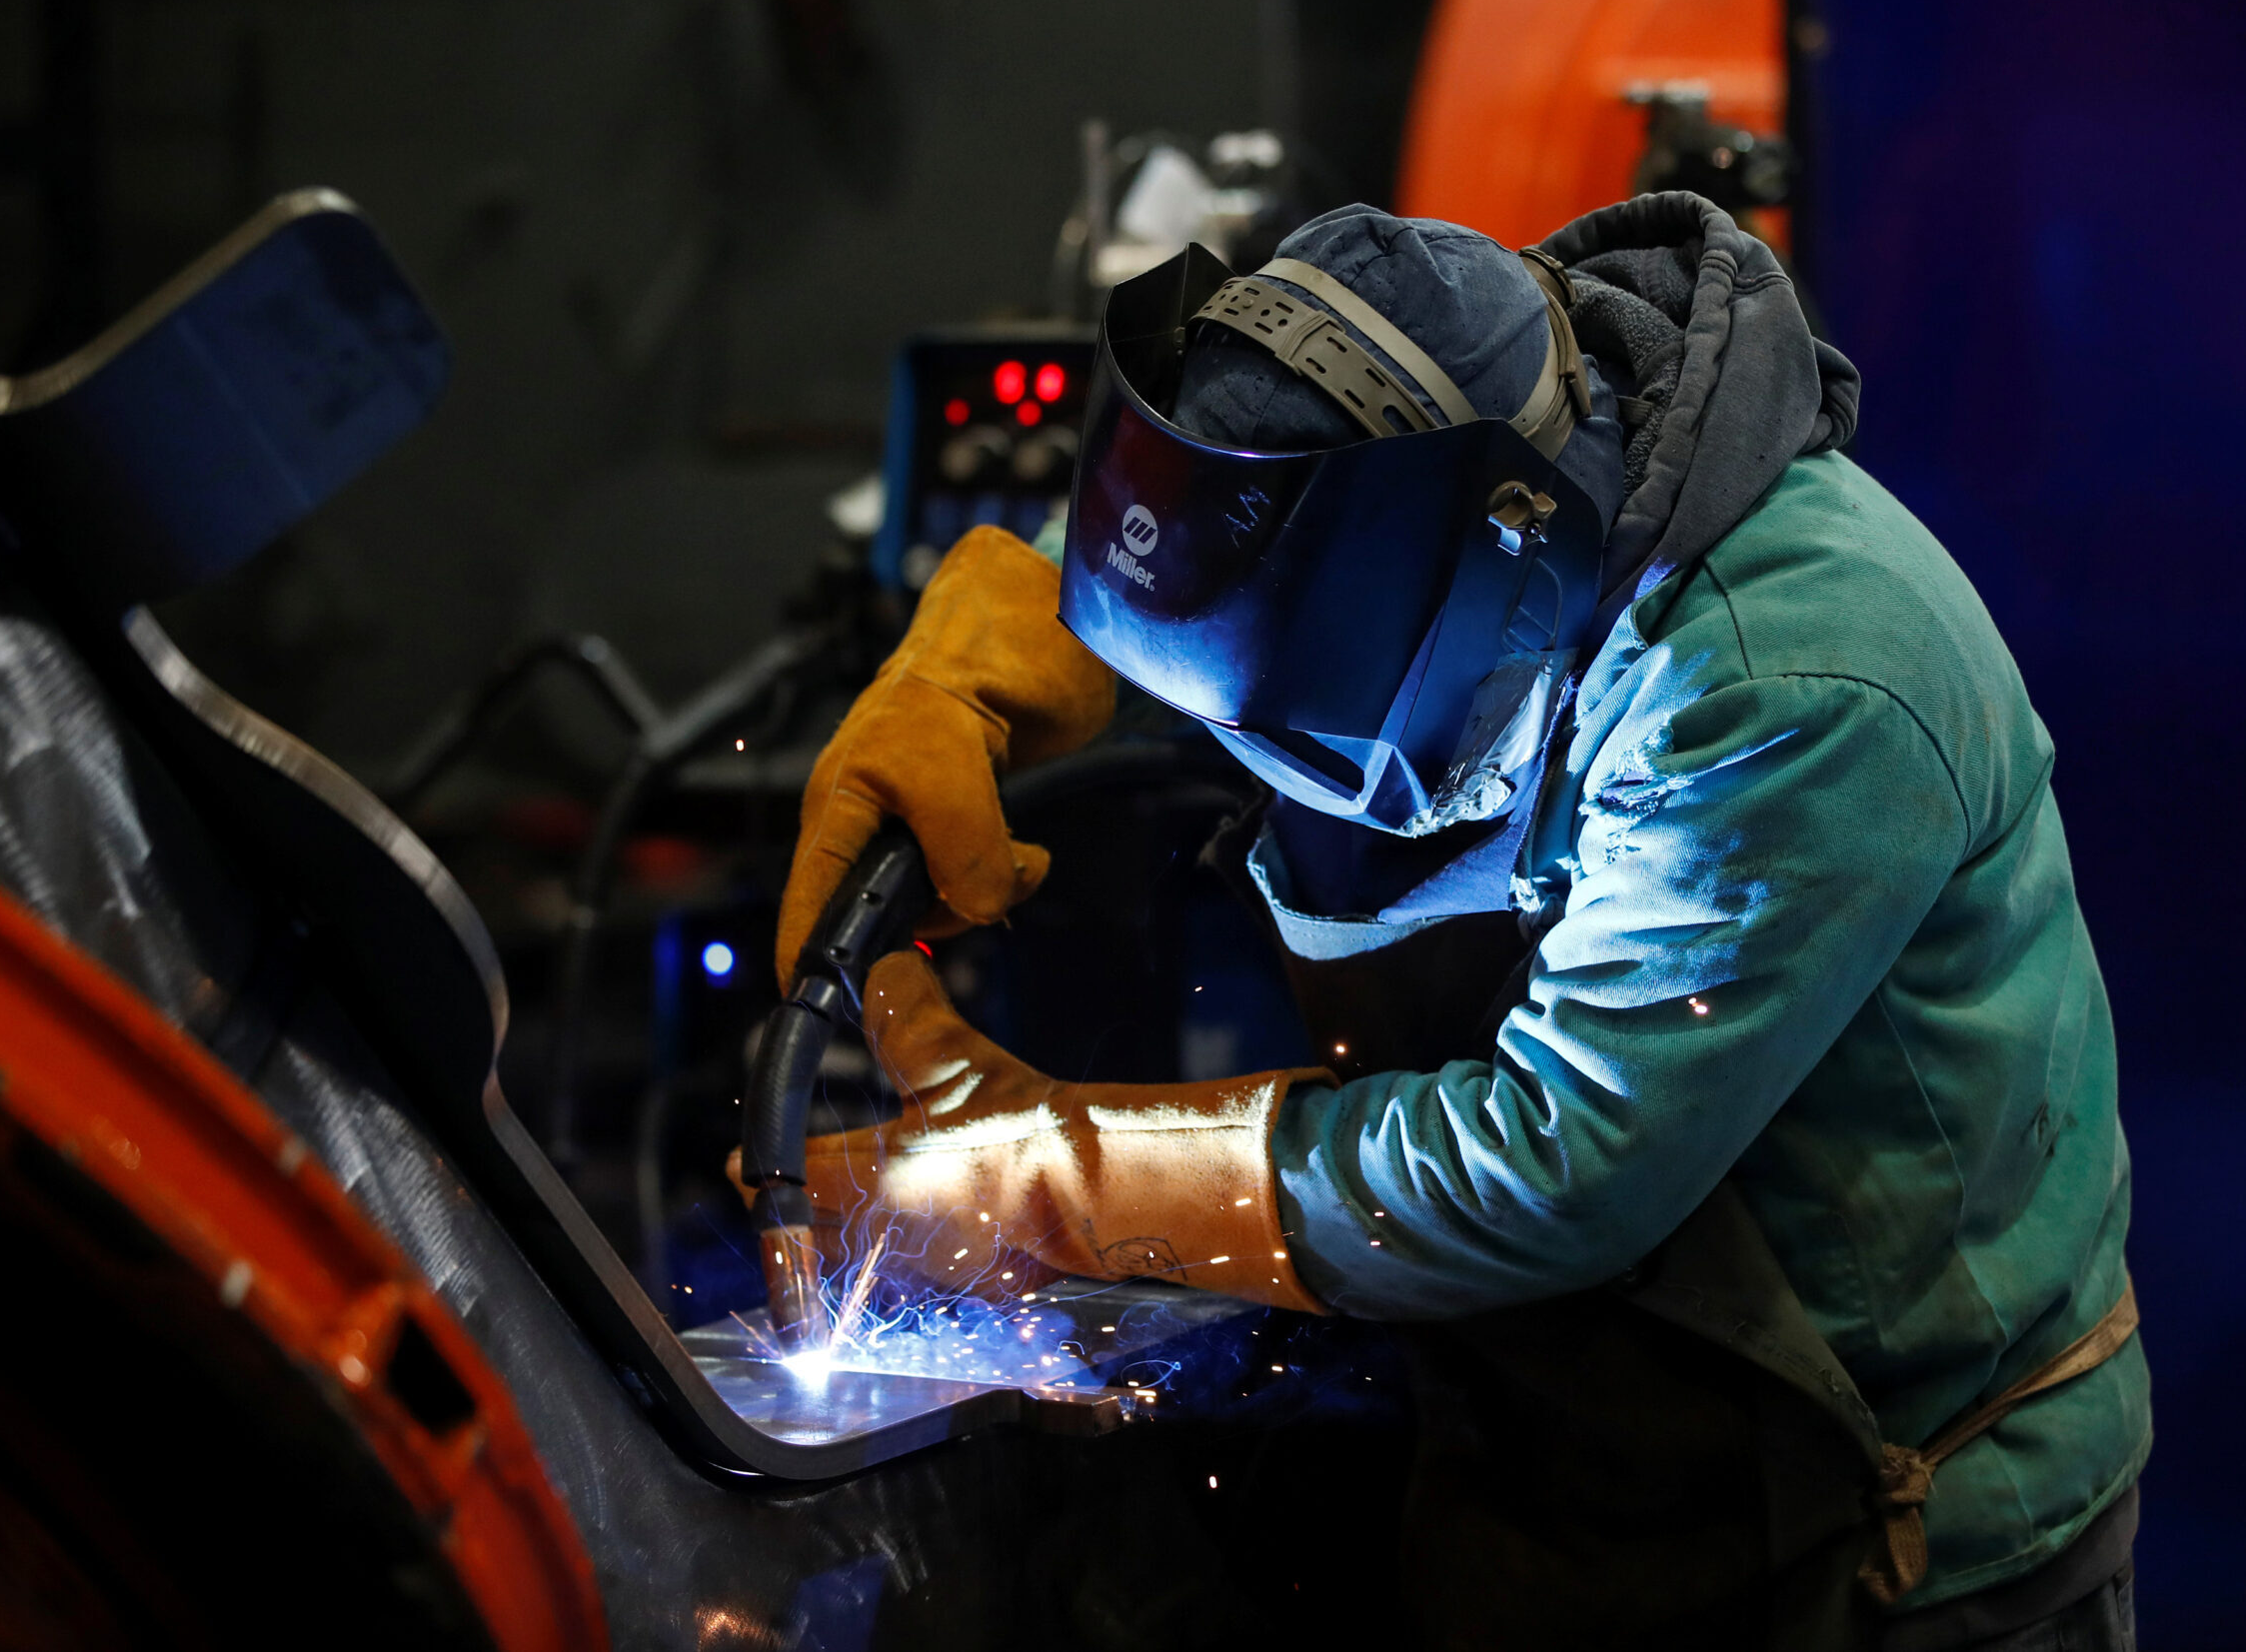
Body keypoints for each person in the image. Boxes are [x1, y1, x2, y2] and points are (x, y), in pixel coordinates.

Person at [757, 196, 2148, 1650]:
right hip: (1584, 1464)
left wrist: (1060, 1178)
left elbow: (1552, 1166)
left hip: (1893, 1549)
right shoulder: (1444, 442)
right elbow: (1267, 468)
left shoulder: (1776, 687)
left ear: (1507, 562)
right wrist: (1067, 598)